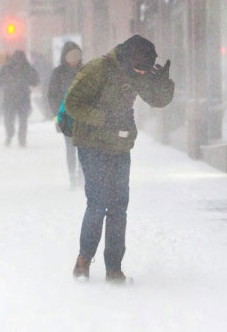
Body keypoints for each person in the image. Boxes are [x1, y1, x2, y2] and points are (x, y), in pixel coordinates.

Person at [65, 34, 174, 283]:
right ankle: (83, 260)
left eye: (145, 71)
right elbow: (72, 103)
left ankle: (114, 268)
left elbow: (157, 100)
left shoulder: (137, 71)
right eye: (138, 68)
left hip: (119, 144)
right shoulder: (97, 69)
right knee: (98, 202)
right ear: (126, 58)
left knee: (118, 207)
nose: (140, 73)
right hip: (91, 144)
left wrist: (164, 84)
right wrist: (102, 118)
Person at [47, 41, 83, 188]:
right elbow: (52, 96)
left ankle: (81, 176)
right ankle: (72, 177)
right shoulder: (58, 73)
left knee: (83, 149)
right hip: (66, 116)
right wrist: (57, 115)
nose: (74, 60)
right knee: (70, 148)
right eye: (71, 56)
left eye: (76, 56)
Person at [0, 50, 39, 147]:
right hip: (22, 98)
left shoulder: (7, 68)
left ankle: (11, 135)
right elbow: (35, 81)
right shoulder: (27, 67)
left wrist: (7, 83)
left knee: (10, 120)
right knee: (22, 120)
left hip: (10, 98)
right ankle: (20, 138)